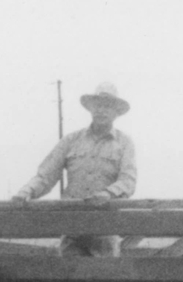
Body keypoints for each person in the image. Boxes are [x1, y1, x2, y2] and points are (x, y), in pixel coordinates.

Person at [11, 82, 136, 258]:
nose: (102, 110)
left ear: (116, 112)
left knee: (105, 279)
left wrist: (108, 193)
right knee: (70, 279)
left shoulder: (124, 143)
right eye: (97, 105)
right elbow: (46, 174)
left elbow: (128, 180)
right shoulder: (71, 140)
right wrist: (26, 191)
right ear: (90, 109)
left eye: (108, 106)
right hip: (72, 225)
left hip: (105, 226)